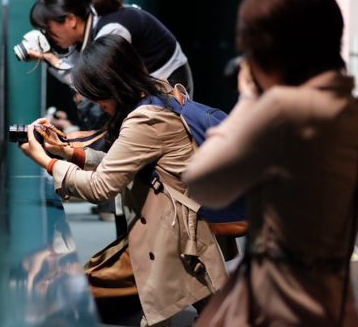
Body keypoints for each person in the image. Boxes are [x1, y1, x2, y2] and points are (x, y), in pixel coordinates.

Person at [183, 0, 358, 327]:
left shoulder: (282, 109)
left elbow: (202, 183)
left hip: (273, 307)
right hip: (336, 306)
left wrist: (248, 98)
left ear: (268, 49)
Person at [18, 35, 227, 326]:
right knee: (201, 305)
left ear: (113, 84)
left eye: (95, 93)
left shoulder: (145, 120)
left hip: (171, 235)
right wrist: (66, 151)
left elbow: (101, 187)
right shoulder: (155, 93)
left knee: (90, 294)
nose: (92, 101)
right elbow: (126, 165)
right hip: (175, 227)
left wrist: (46, 161)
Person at [27, 0, 194, 129]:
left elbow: (91, 82)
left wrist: (50, 58)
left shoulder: (112, 29)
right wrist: (48, 58)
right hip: (143, 86)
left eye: (48, 29)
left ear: (70, 19)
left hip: (168, 81)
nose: (48, 36)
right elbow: (77, 75)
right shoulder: (85, 31)